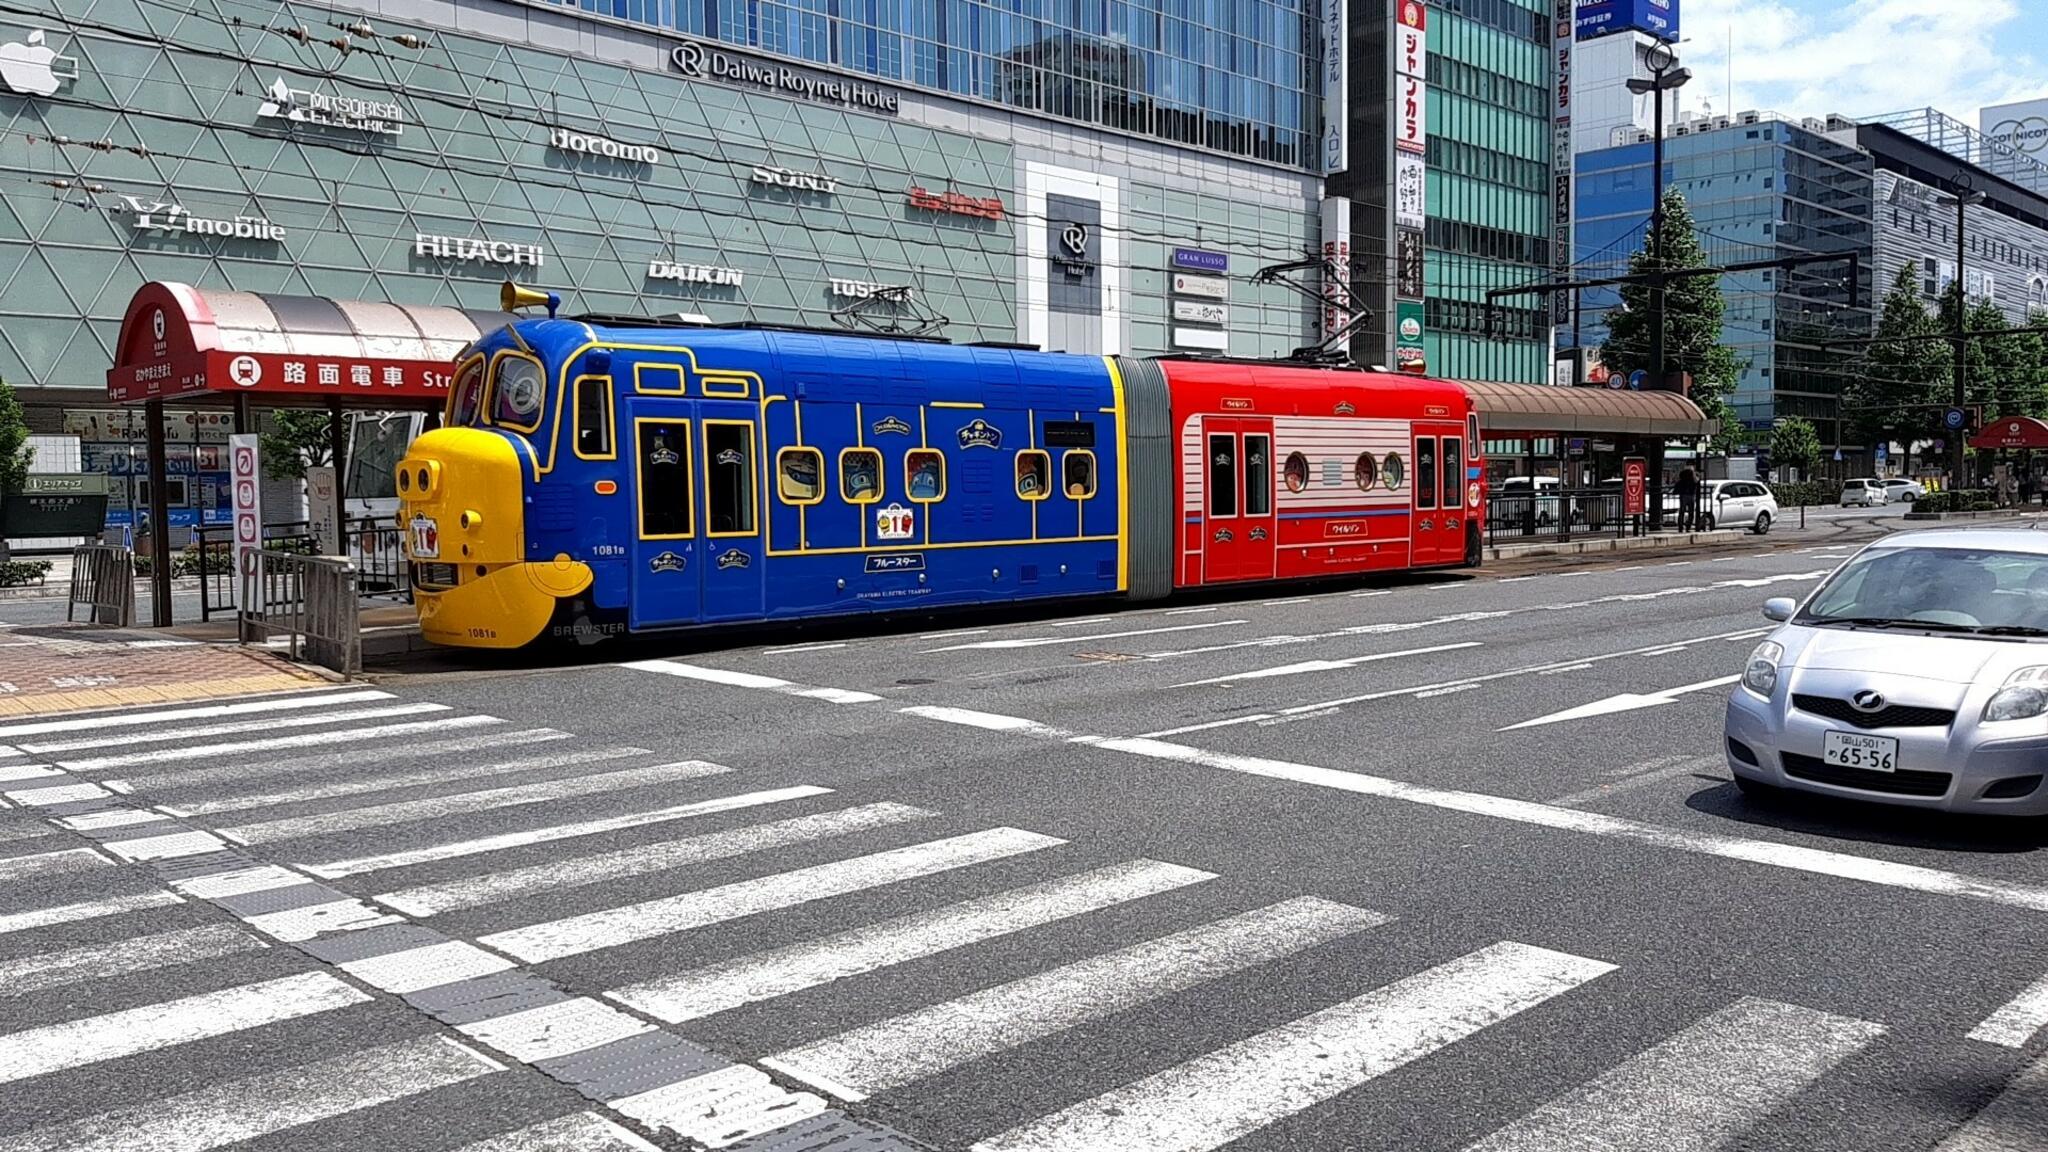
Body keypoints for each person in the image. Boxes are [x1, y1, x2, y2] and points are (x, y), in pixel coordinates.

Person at [1675, 466, 1701, 531]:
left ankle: (1685, 526)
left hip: (1687, 494)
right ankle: (1683, 527)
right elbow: (1696, 481)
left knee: (1687, 512)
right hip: (1687, 495)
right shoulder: (1685, 474)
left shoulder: (1692, 475)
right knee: (1686, 512)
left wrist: (1693, 473)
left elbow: (1696, 481)